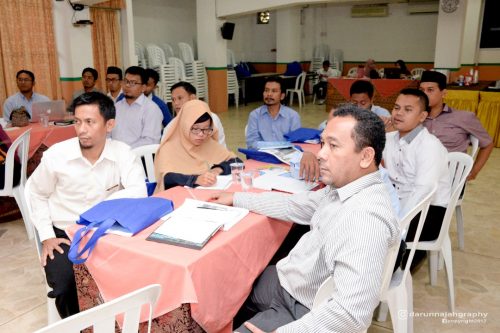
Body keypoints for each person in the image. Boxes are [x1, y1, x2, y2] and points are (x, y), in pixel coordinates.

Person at [212, 104, 399, 333]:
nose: (320, 154)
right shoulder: (344, 187)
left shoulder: (364, 218)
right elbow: (295, 205)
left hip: (302, 308)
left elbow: (351, 314)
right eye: (323, 143)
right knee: (228, 284)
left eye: (333, 146)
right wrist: (237, 198)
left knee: (229, 291)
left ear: (366, 156)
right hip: (292, 281)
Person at [28, 92, 147, 319]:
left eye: (90, 122)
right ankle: (78, 325)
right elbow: (36, 193)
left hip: (107, 232)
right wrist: (46, 235)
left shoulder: (122, 153)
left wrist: (100, 211)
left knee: (139, 272)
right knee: (64, 285)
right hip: (64, 232)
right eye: (77, 121)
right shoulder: (57, 156)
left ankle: (125, 323)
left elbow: (138, 191)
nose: (81, 129)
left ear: (109, 124)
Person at [383, 88, 450, 245]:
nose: (398, 113)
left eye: (408, 109)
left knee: (377, 232)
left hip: (428, 210)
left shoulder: (429, 145)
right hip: (398, 202)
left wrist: (399, 222)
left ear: (422, 116)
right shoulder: (388, 139)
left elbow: (423, 191)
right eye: (396, 107)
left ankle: (396, 265)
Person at [419, 70, 493, 180]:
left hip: (450, 179)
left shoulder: (463, 117)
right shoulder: (416, 118)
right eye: (421, 90)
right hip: (418, 175)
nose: (424, 94)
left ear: (444, 93)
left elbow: (487, 144)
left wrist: (474, 171)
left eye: (430, 90)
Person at [153, 100, 241, 191]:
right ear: (185, 126)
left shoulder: (207, 142)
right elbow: (167, 179)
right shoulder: (168, 148)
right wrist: (196, 179)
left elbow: (236, 161)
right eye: (195, 129)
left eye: (206, 129)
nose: (201, 134)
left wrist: (218, 169)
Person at [111, 66, 163, 148]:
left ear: (143, 88)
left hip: (138, 157)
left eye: (133, 83)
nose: (127, 85)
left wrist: (124, 152)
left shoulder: (151, 109)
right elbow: (108, 132)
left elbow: (150, 141)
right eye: (126, 81)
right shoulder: (116, 107)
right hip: (114, 155)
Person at [162, 81, 226, 147]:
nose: (176, 103)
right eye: (173, 100)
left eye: (180, 98)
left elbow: (220, 147)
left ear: (192, 98)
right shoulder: (171, 126)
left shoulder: (210, 118)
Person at [246, 77, 301, 149]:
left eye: (274, 91)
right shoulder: (255, 115)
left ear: (282, 96)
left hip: (286, 157)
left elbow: (296, 143)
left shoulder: (292, 116)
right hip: (263, 156)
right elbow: (251, 143)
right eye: (266, 90)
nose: (269, 94)